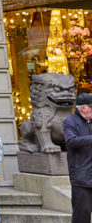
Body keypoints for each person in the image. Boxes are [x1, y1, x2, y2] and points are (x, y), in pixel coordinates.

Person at [63, 92, 92, 223]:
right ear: (83, 108)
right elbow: (71, 141)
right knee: (82, 215)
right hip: (81, 177)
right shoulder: (70, 122)